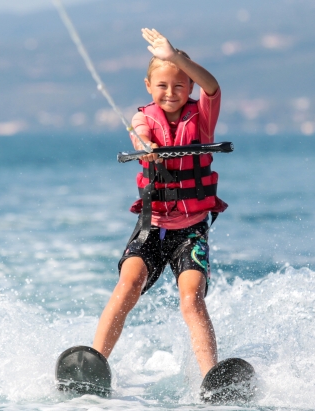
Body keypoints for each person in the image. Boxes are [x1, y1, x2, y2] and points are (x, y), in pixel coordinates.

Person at [92, 28, 228, 376]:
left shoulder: (202, 118)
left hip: (192, 230)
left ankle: (210, 377)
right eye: (163, 85)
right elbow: (138, 131)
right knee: (127, 286)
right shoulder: (143, 118)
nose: (171, 92)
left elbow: (212, 86)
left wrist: (177, 58)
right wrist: (146, 147)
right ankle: (93, 362)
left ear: (190, 87)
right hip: (153, 226)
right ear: (149, 86)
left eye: (180, 85)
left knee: (191, 302)